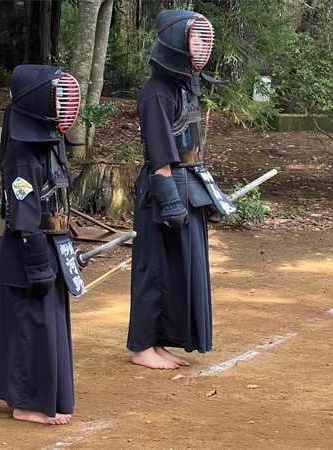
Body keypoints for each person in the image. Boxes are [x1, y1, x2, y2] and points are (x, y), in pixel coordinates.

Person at [127, 10, 235, 370]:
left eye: (204, 40)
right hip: (164, 194)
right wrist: (171, 201)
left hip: (188, 188)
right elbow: (160, 155)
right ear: (176, 43)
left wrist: (208, 196)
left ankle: (158, 341)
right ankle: (142, 347)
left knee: (175, 269)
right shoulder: (156, 93)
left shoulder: (182, 87)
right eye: (195, 39)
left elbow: (191, 150)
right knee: (154, 270)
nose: (202, 47)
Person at [0, 64, 85, 425]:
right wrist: (38, 261)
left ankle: (45, 396)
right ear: (38, 101)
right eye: (57, 98)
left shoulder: (51, 144)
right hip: (25, 255)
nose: (64, 105)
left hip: (50, 248)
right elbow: (24, 213)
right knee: (31, 326)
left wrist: (66, 248)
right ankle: (26, 402)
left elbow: (55, 201)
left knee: (48, 326)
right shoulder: (22, 153)